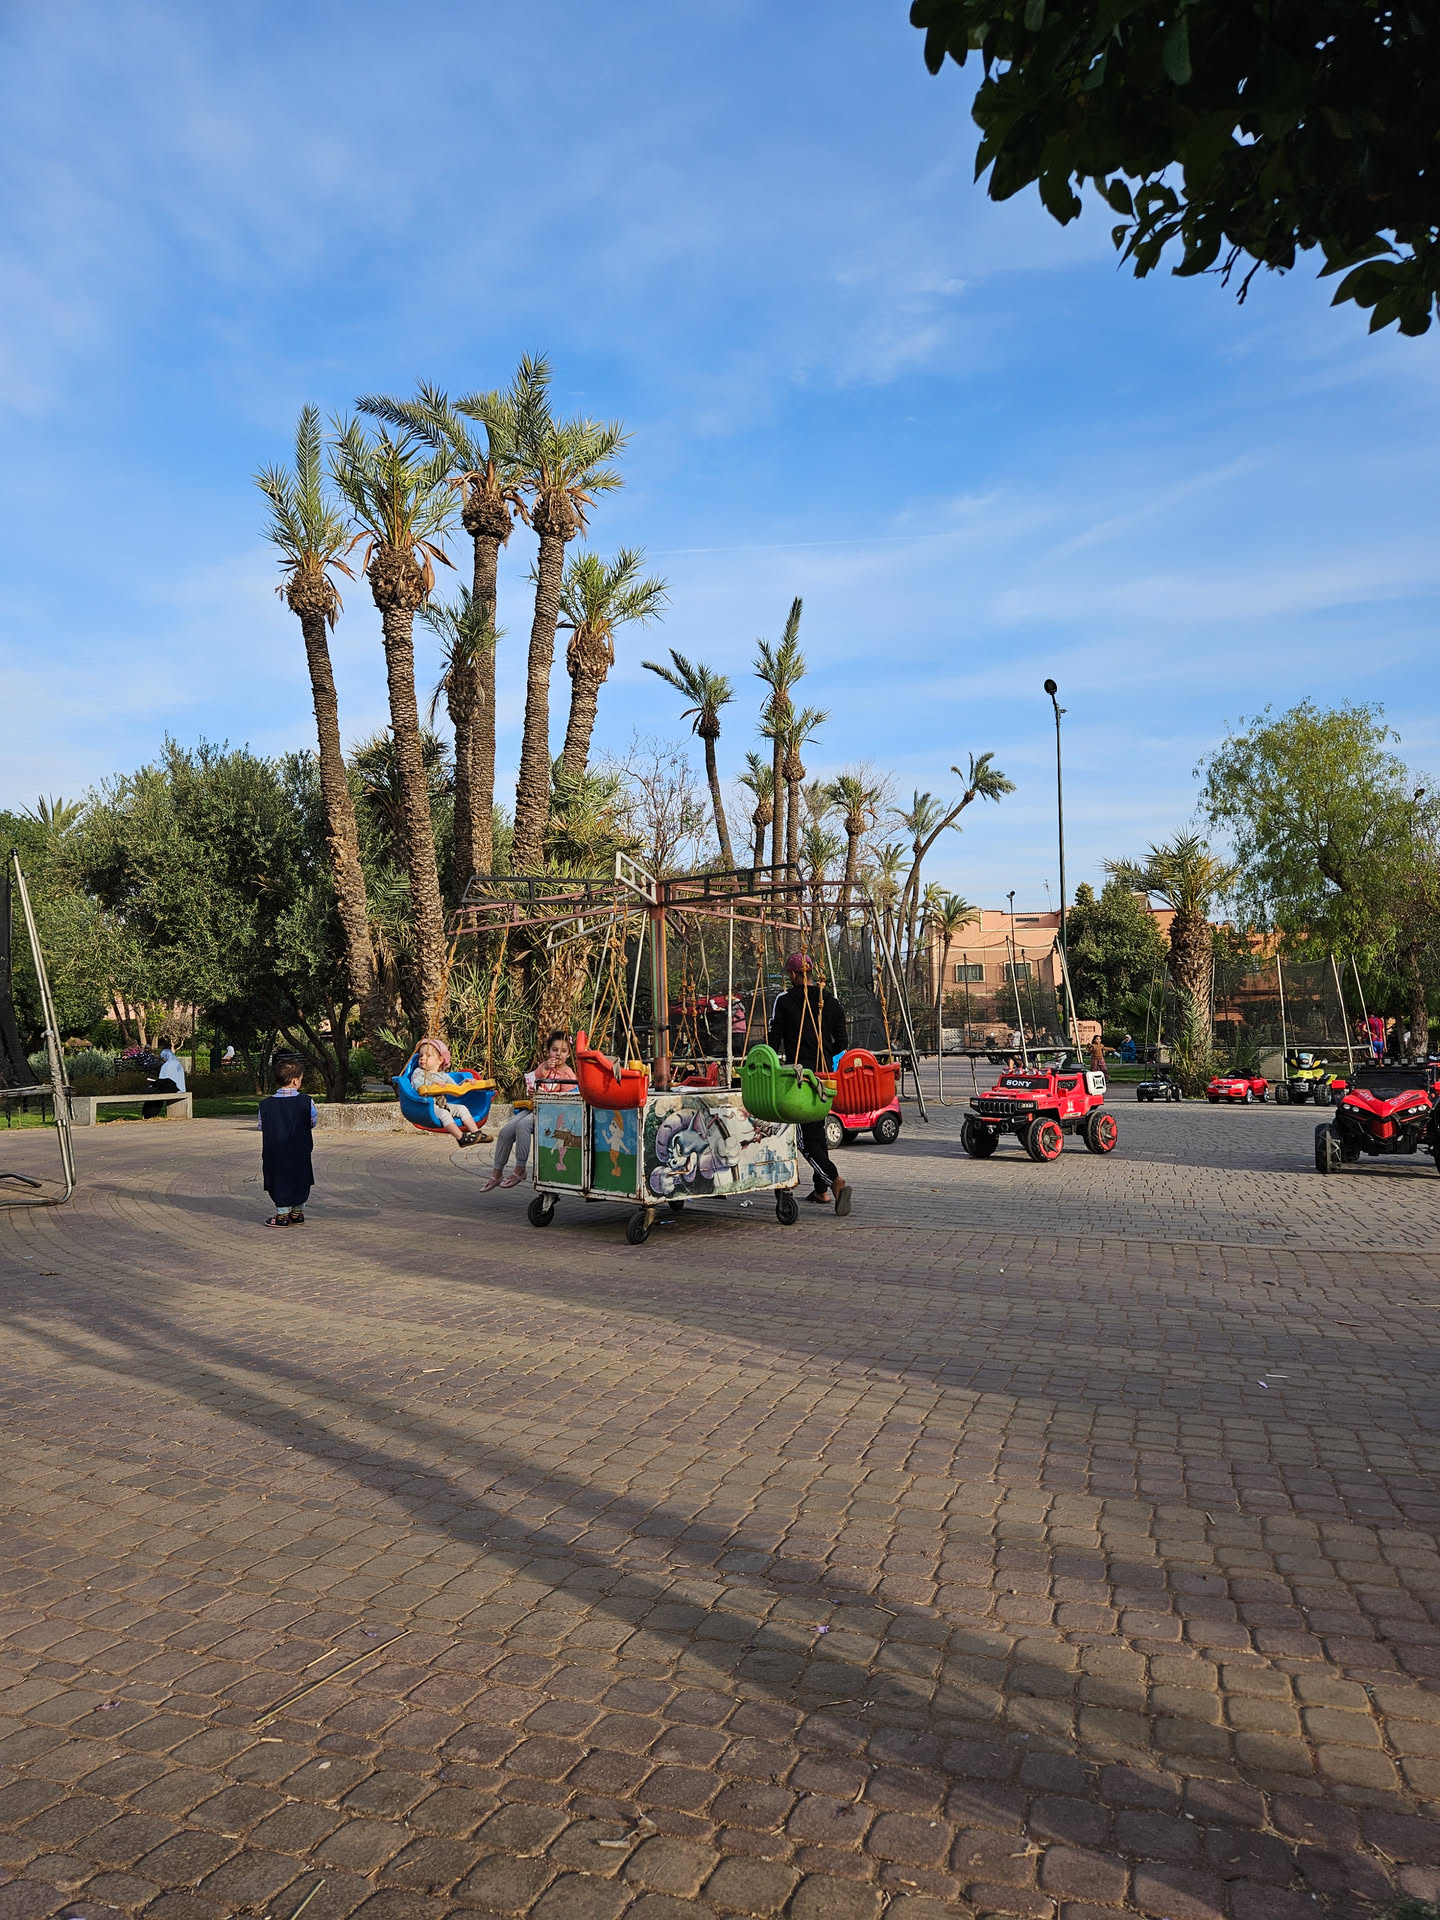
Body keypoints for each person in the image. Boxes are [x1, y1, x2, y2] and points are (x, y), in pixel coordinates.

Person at [769, 952, 852, 1216]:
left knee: (805, 1140)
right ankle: (820, 1191)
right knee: (816, 1130)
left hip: (800, 1078)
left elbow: (773, 1041)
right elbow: (842, 1043)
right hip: (824, 1077)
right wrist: (824, 1055)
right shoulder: (831, 1002)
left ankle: (834, 1180)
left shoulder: (784, 1001)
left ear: (793, 975)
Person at [484, 1031, 578, 1190]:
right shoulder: (545, 1066)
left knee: (523, 1126)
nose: (558, 1054)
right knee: (506, 1131)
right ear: (548, 1051)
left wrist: (545, 1096)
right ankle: (497, 1172)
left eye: (563, 1051)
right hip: (533, 1108)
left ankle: (520, 1168)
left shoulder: (568, 1075)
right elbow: (533, 1080)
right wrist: (536, 1085)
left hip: (551, 1113)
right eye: (555, 1050)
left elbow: (565, 1102)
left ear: (568, 1054)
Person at [257, 1056, 317, 1226]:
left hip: (275, 1151)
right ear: (295, 1080)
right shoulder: (306, 1101)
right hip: (300, 1149)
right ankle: (297, 1212)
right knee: (301, 1177)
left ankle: (282, 1214)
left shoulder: (266, 1105)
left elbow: (261, 1125)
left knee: (278, 1179)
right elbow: (312, 1121)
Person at [407, 1036, 487, 1146]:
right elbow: (417, 1085)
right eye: (421, 1055)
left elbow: (454, 1088)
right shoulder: (419, 1072)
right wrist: (432, 1085)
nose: (422, 1058)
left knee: (462, 1108)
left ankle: (476, 1133)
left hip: (442, 1105)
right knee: (444, 1114)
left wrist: (465, 1082)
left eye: (428, 1056)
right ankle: (461, 1138)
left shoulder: (443, 1076)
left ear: (440, 1060)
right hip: (426, 1107)